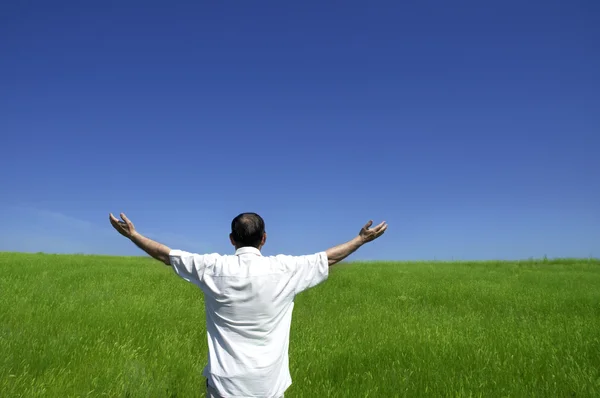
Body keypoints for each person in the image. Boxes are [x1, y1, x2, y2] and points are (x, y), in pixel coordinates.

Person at [109, 211, 387, 398]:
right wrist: (361, 240)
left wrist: (133, 235)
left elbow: (166, 255)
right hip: (268, 386)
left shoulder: (213, 268)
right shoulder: (285, 269)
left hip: (224, 386)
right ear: (264, 239)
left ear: (231, 239)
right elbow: (327, 259)